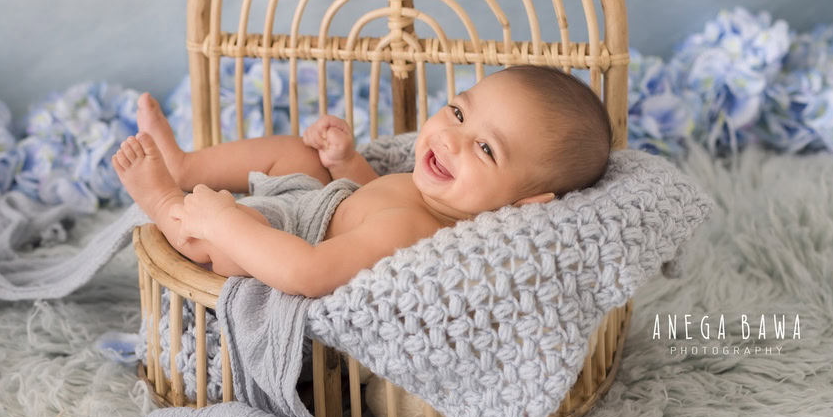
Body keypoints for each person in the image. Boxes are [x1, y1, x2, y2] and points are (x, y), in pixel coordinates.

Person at [112, 66, 612, 298]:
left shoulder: (414, 235)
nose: (450, 139)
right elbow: (375, 196)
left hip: (287, 243)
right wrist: (346, 162)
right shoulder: (439, 198)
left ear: (527, 204)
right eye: (458, 112)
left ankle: (161, 196)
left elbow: (308, 273)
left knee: (220, 246)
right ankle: (187, 166)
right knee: (298, 154)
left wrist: (225, 222)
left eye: (485, 149)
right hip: (322, 203)